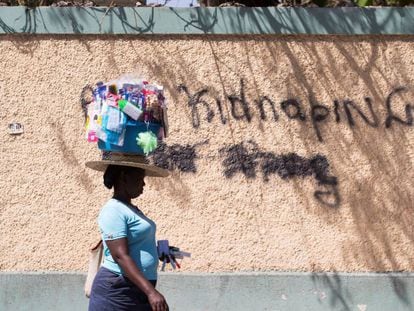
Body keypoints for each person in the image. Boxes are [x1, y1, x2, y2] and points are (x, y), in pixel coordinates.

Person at [87, 156, 169, 311]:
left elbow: (137, 245)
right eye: (140, 178)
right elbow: (120, 256)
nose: (144, 184)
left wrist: (161, 251)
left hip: (137, 290)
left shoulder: (130, 209)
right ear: (124, 177)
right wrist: (151, 292)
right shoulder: (113, 210)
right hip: (118, 291)